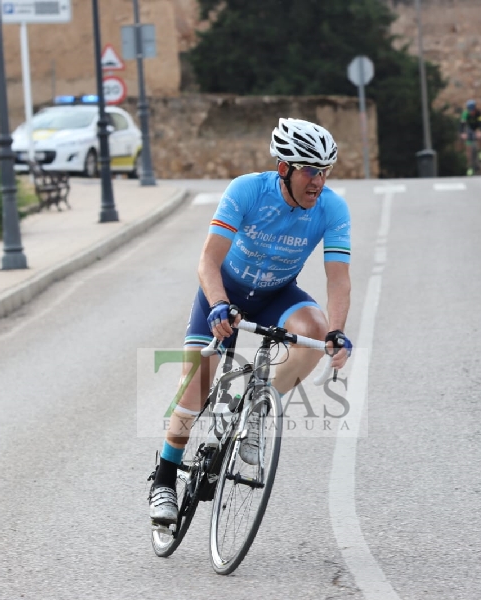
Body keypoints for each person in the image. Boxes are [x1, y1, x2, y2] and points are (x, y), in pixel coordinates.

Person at [148, 118, 354, 525]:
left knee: (313, 329)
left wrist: (337, 331)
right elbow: (208, 260)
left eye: (325, 171)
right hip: (225, 293)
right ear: (284, 169)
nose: (319, 182)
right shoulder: (247, 190)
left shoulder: (332, 207)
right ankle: (165, 478)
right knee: (196, 386)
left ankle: (257, 410)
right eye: (311, 171)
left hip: (277, 293)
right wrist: (219, 305)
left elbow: (338, 277)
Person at [459, 99, 481, 176]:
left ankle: (480, 151)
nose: (471, 112)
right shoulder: (465, 113)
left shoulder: (478, 113)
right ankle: (470, 167)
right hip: (469, 129)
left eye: (472, 110)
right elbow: (462, 124)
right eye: (470, 110)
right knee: (469, 149)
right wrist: (462, 133)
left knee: (480, 137)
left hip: (476, 128)